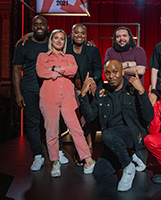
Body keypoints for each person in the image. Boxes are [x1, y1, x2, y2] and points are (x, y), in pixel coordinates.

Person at [79, 59, 154, 191]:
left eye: (115, 72)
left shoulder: (132, 88)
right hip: (113, 139)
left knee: (108, 135)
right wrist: (83, 95)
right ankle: (129, 155)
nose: (111, 76)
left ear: (122, 72)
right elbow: (90, 117)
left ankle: (128, 167)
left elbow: (149, 117)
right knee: (99, 173)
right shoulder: (101, 92)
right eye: (108, 73)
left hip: (131, 134)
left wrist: (142, 92)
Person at [12, 15, 68, 172]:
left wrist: (88, 44)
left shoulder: (53, 40)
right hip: (30, 89)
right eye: (35, 24)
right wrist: (17, 94)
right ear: (32, 27)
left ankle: (58, 151)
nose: (39, 27)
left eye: (41, 24)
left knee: (53, 122)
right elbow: (16, 69)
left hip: (51, 88)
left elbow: (73, 38)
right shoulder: (23, 44)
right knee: (32, 123)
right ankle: (38, 155)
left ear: (47, 26)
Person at [36, 29, 95, 177]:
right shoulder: (43, 56)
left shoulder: (70, 57)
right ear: (51, 40)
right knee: (51, 131)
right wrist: (61, 71)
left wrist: (55, 69)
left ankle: (88, 159)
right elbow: (41, 72)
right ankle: (55, 162)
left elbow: (73, 71)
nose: (59, 41)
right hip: (49, 97)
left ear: (64, 41)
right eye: (56, 38)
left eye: (62, 38)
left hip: (67, 98)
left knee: (76, 129)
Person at [66, 23, 103, 159]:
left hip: (89, 89)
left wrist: (93, 79)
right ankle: (80, 147)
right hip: (71, 89)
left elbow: (98, 69)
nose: (79, 35)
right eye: (76, 32)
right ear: (71, 34)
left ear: (86, 36)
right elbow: (50, 37)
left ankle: (89, 145)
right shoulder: (66, 48)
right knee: (75, 121)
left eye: (82, 33)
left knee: (88, 118)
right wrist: (28, 36)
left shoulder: (92, 50)